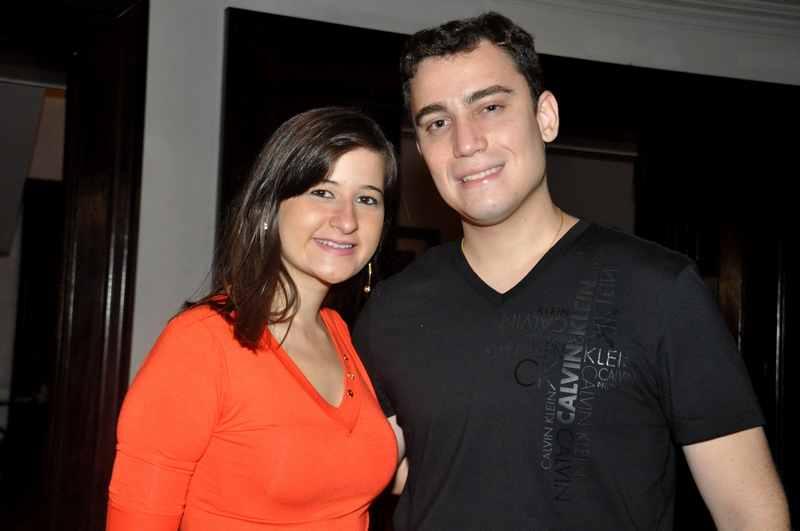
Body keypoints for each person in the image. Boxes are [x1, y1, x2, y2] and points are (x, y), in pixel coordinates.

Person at [353, 12, 790, 531]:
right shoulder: (390, 311)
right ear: (422, 147)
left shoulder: (658, 290)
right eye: (437, 123)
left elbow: (750, 513)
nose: (466, 142)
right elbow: (361, 477)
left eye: (490, 107)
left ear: (546, 117)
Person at [107, 107, 401, 530]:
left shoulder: (340, 334)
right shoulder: (201, 343)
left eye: (367, 199)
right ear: (270, 207)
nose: (347, 220)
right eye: (322, 192)